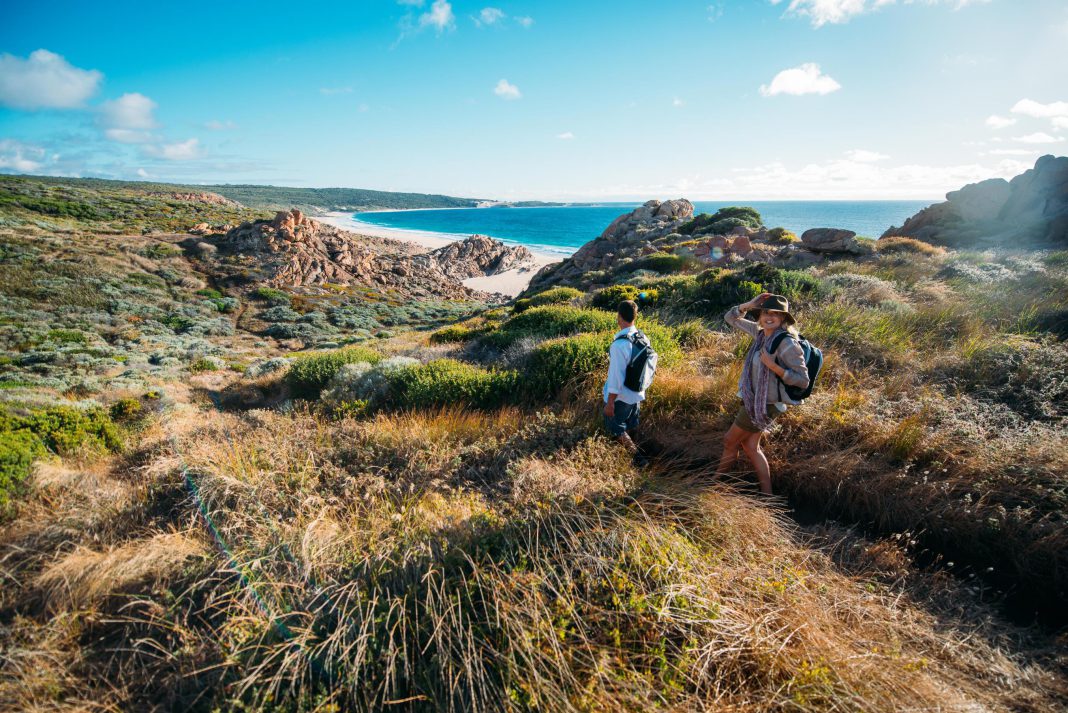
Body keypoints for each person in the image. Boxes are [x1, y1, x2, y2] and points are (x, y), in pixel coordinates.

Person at [718, 292, 809, 495]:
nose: (769, 317)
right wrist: (750, 304)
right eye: (765, 312)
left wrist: (774, 366)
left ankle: (714, 485)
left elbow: (803, 380)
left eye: (776, 314)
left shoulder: (786, 343)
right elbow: (730, 318)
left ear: (783, 319)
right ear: (759, 315)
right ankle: (767, 496)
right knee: (751, 447)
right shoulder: (760, 334)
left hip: (766, 404)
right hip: (754, 400)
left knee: (729, 441)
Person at [603, 299, 645, 458]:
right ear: (635, 316)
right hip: (636, 393)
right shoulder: (642, 337)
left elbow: (616, 377)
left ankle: (638, 460)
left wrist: (610, 402)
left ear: (619, 317)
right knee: (629, 425)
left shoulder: (619, 345)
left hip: (621, 397)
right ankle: (640, 451)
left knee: (615, 428)